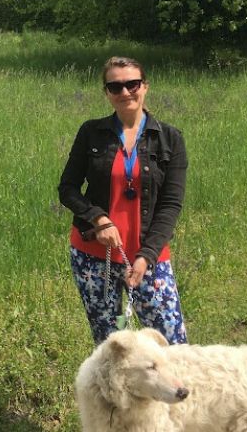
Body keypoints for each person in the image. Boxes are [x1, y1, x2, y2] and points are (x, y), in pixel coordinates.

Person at [58, 56, 188, 345]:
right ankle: (120, 393)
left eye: (132, 84)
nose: (125, 92)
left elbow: (171, 205)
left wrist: (147, 256)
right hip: (93, 256)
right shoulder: (91, 132)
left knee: (173, 346)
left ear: (145, 87)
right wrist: (99, 219)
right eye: (115, 87)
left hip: (148, 257)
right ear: (106, 92)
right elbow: (67, 188)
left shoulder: (170, 139)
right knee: (111, 347)